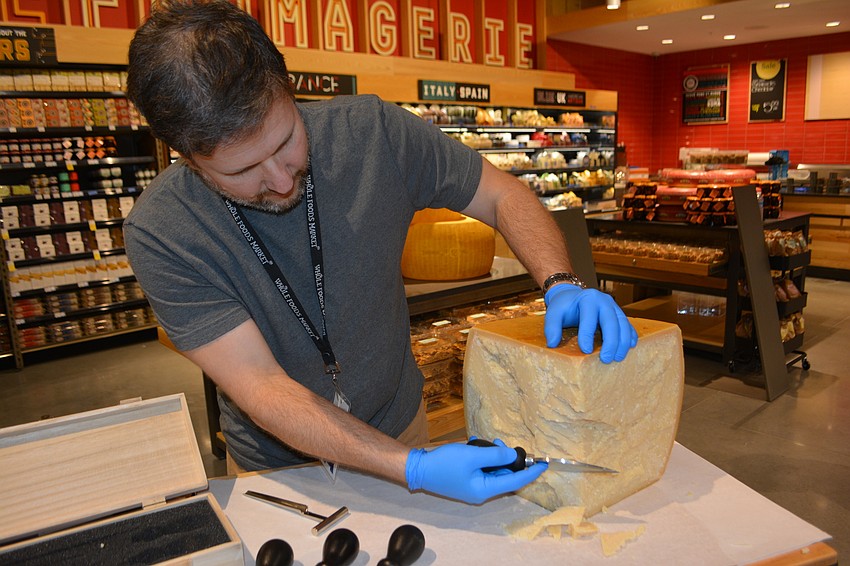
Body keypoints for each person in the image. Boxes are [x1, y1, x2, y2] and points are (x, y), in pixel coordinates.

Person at [124, 0, 637, 505]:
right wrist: (410, 469)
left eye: (286, 141)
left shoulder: (373, 134)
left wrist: (560, 281)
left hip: (401, 426)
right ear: (184, 157)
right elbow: (261, 387)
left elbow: (503, 194)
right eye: (241, 172)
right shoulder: (162, 231)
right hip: (278, 474)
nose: (280, 181)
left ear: (289, 89)